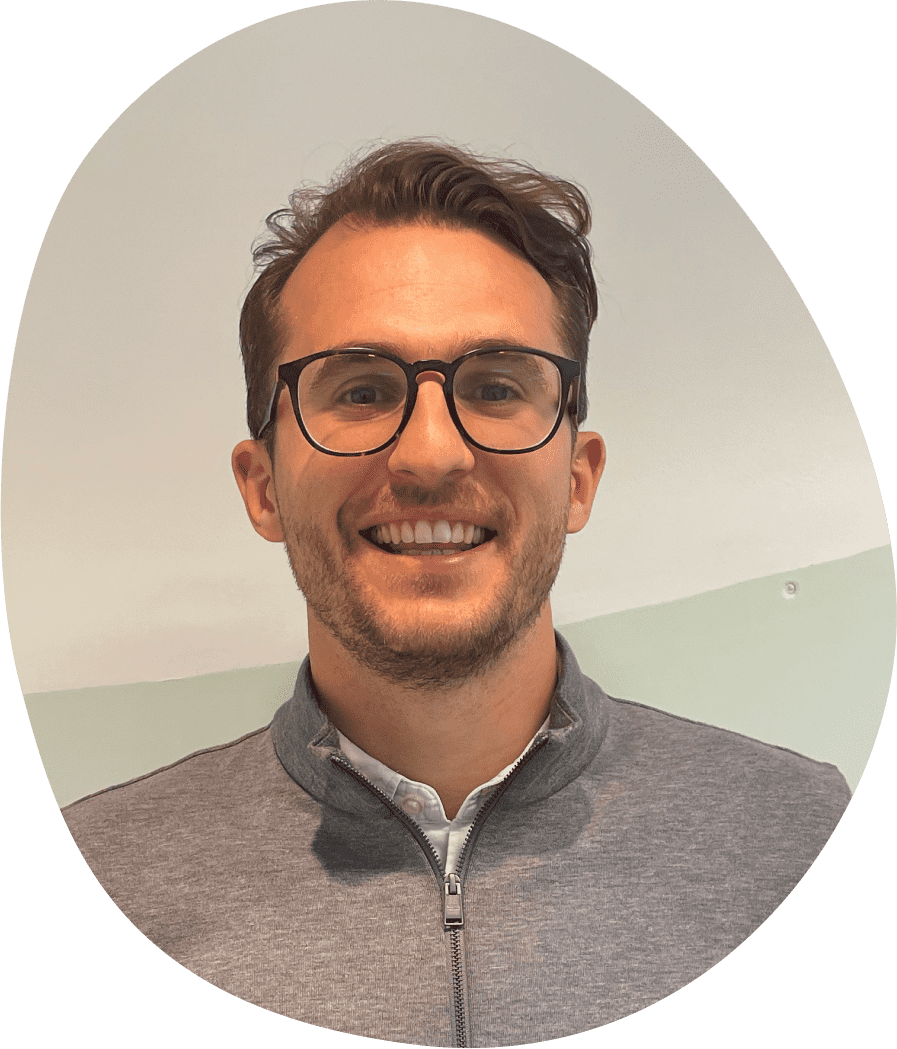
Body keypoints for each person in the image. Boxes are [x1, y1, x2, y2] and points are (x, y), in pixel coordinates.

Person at [63, 141, 850, 1047]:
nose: (431, 453)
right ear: (263, 486)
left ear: (579, 479)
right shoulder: (93, 885)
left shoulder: (804, 837)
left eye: (495, 386)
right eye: (361, 389)